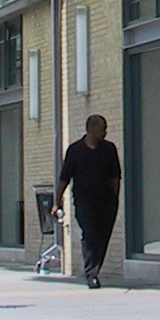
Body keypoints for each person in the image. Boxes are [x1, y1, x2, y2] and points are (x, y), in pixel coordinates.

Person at [54, 114, 123, 288]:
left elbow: (115, 176)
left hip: (106, 201)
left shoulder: (109, 149)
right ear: (92, 129)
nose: (105, 132)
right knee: (90, 234)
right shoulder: (75, 150)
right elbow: (64, 178)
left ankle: (95, 268)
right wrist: (57, 201)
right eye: (102, 129)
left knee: (102, 237)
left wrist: (114, 199)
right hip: (84, 200)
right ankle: (91, 273)